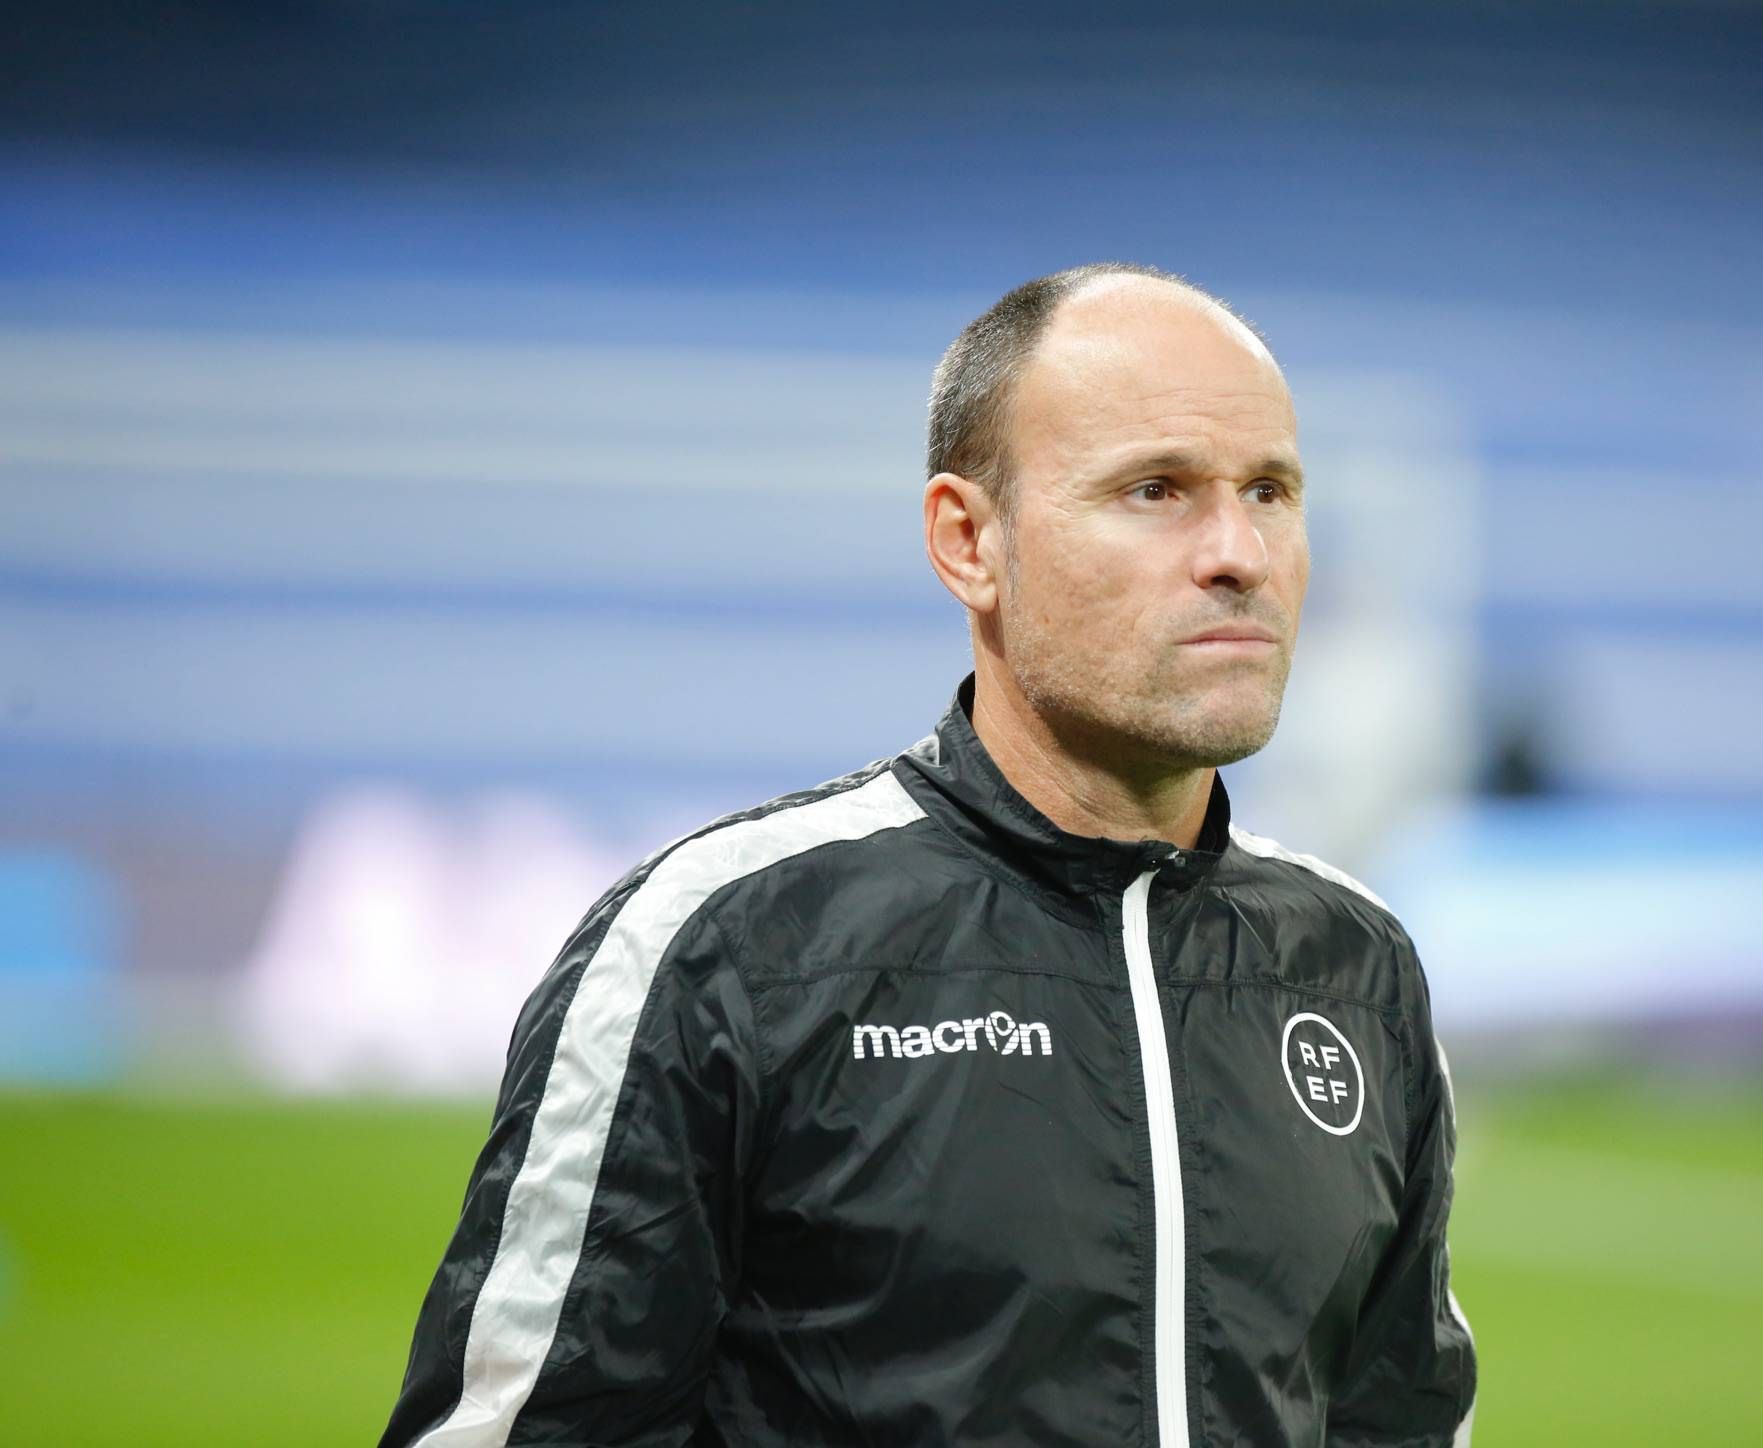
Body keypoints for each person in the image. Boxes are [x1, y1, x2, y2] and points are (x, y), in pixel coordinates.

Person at [380, 262, 1477, 1447]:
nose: (1238, 554)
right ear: (968, 541)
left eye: (1270, 490)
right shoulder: (726, 948)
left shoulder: (1355, 967)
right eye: (1156, 489)